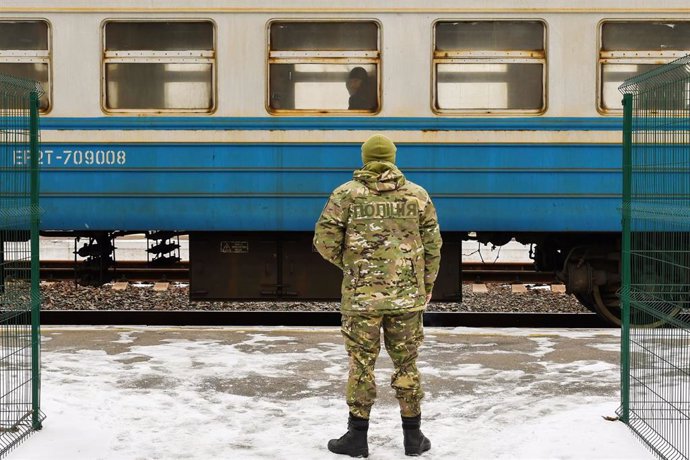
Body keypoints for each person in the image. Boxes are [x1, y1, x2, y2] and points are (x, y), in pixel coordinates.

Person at [314, 134, 442, 457]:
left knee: (361, 364)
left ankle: (357, 437)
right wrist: (425, 285)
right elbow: (433, 246)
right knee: (407, 364)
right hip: (406, 299)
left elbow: (323, 239)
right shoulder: (418, 196)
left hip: (361, 299)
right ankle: (413, 437)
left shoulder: (345, 195)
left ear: (365, 159)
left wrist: (351, 264)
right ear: (394, 159)